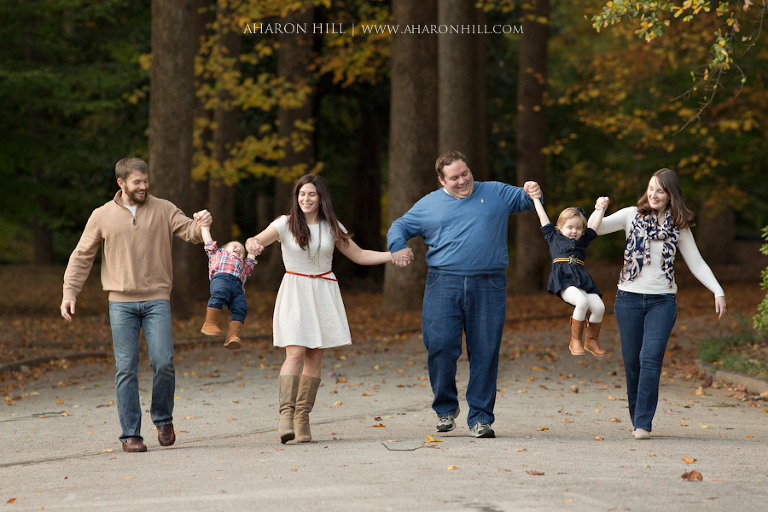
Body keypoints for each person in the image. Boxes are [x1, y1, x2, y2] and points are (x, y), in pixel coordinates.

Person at [60, 157, 212, 453]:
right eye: (137, 182)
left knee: (164, 362)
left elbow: (191, 232)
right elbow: (82, 255)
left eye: (146, 181)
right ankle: (131, 435)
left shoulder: (164, 208)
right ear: (121, 183)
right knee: (126, 368)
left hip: (157, 300)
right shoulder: (102, 215)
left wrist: (202, 223)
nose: (144, 186)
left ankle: (163, 418)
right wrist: (70, 291)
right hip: (121, 304)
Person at [387, 150, 540, 439]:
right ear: (442, 180)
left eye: (465, 173)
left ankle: (481, 418)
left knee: (485, 350)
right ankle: (445, 408)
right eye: (454, 177)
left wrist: (533, 190)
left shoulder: (494, 192)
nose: (462, 181)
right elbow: (400, 226)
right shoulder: (429, 204)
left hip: (489, 284)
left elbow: (526, 199)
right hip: (443, 283)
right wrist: (397, 245)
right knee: (440, 345)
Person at [245, 174, 406, 444]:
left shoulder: (332, 226)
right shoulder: (284, 223)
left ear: (321, 198)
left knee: (314, 358)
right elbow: (256, 239)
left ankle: (302, 418)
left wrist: (392, 255)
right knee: (295, 353)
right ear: (296, 197)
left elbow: (359, 255)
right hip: (295, 291)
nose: (306, 199)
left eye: (311, 194)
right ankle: (286, 416)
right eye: (302, 194)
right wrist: (252, 244)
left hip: (323, 292)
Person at [593, 168, 726, 440]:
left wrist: (717, 290)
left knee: (650, 358)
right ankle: (637, 418)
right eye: (651, 188)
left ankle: (643, 422)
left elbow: (696, 262)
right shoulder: (631, 215)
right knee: (632, 363)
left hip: (663, 301)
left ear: (671, 195)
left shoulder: (679, 226)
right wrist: (599, 209)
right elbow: (595, 229)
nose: (654, 194)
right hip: (628, 299)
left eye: (660, 191)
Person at [531, 195, 609, 357]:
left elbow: (593, 226)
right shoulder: (553, 236)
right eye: (570, 227)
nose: (574, 231)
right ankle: (575, 341)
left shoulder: (582, 241)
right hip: (563, 278)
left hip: (581, 278)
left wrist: (601, 209)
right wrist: (536, 199)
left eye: (579, 228)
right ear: (560, 227)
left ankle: (592, 340)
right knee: (581, 302)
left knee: (599, 307)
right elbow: (542, 216)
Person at [198, 225, 257, 350]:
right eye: (234, 246)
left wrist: (253, 250)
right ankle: (210, 323)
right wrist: (204, 227)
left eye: (242, 250)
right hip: (221, 279)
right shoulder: (217, 253)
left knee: (241, 308)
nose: (238, 249)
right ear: (223, 248)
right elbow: (208, 241)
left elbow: (251, 260)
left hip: (238, 289)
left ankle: (233, 336)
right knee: (220, 293)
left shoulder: (242, 265)